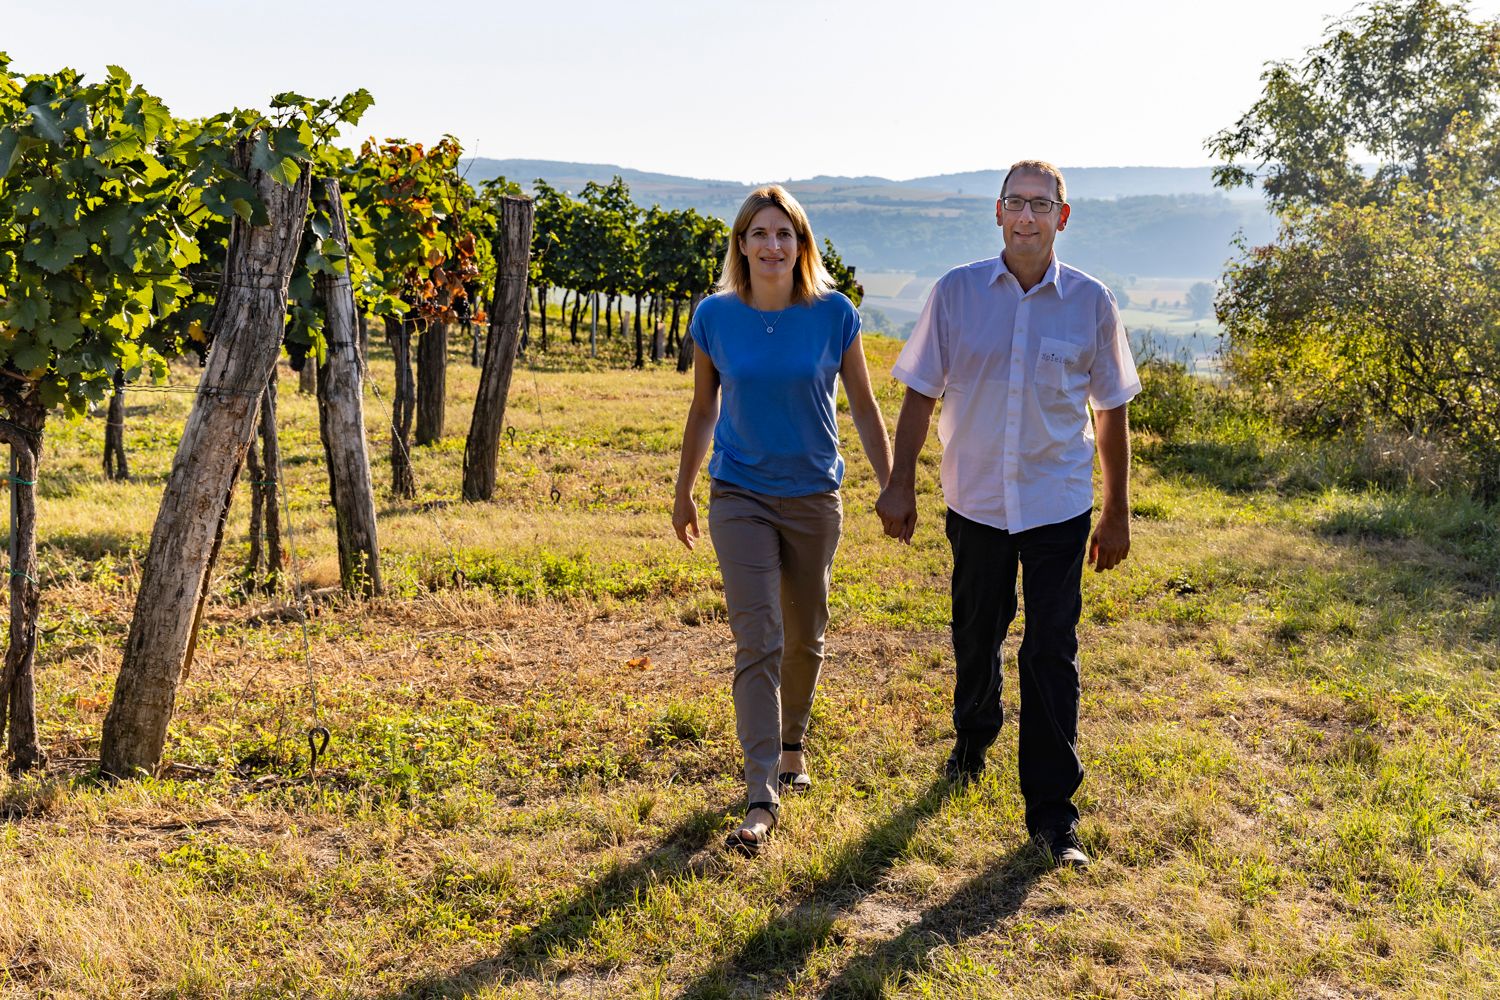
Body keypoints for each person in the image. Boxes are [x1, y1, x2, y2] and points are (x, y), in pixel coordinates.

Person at [875, 160, 1139, 868]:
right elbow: (920, 394)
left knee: (1051, 651)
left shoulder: (1091, 303)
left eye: (1040, 205)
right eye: (1015, 203)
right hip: (977, 501)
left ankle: (1054, 816)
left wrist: (1116, 511)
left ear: (1063, 215)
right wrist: (901, 484)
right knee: (976, 637)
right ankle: (974, 733)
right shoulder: (957, 293)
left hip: (1058, 506)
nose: (1027, 217)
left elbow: (1110, 412)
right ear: (996, 214)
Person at [674, 184, 893, 856]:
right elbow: (705, 407)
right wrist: (683, 488)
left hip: (812, 496)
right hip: (738, 493)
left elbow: (861, 404)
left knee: (806, 636)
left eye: (785, 234)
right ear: (741, 244)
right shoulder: (714, 315)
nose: (773, 246)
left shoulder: (833, 314)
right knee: (759, 637)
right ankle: (761, 791)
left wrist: (893, 486)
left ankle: (792, 741)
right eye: (760, 234)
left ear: (802, 245)